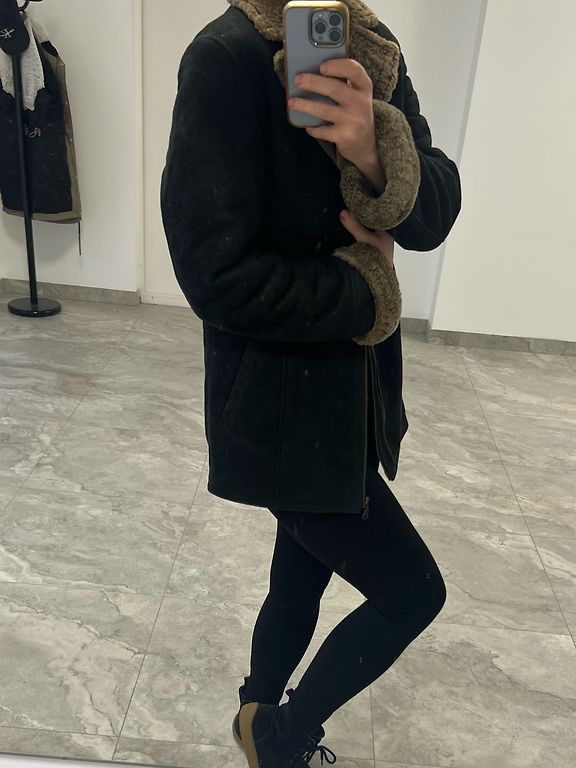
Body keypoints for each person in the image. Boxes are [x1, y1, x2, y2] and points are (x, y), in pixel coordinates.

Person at [160, 1, 461, 765]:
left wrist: (373, 148)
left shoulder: (371, 46)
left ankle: (256, 710)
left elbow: (433, 213)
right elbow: (214, 275)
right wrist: (364, 286)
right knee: (412, 592)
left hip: (354, 397)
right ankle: (282, 738)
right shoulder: (225, 58)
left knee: (299, 575)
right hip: (280, 405)